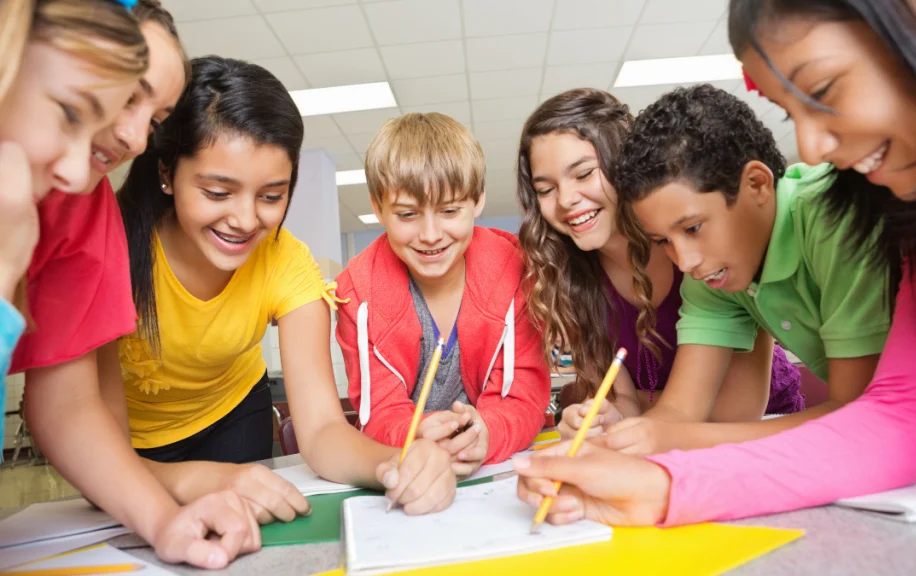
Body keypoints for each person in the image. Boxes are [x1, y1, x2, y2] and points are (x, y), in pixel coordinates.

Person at [514, 0, 916, 527]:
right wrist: (660, 481)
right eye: (790, 112)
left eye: (824, 91)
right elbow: (903, 420)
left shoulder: (839, 218)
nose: (811, 146)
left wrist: (667, 463)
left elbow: (873, 415)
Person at [115, 56, 457, 516]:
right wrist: (193, 477)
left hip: (233, 418)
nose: (244, 219)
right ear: (166, 173)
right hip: (123, 445)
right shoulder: (112, 247)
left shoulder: (286, 260)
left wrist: (395, 464)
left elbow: (319, 430)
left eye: (271, 196)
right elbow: (85, 433)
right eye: (217, 193)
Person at [2, 1, 260, 568]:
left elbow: (68, 403)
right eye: (123, 97)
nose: (138, 140)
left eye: (157, 119)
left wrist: (163, 521)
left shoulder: (82, 203)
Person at [515, 88, 803, 445]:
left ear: (627, 167)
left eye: (584, 174)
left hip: (762, 430)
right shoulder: (569, 278)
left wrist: (643, 412)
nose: (566, 199)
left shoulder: (708, 252)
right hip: (663, 434)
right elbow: (626, 402)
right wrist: (612, 417)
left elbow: (734, 412)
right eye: (545, 189)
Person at [335, 112, 551, 477]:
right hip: (410, 471)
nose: (431, 234)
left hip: (494, 474)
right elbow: (379, 412)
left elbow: (523, 398)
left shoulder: (519, 272)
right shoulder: (357, 293)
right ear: (377, 208)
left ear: (477, 201)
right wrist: (415, 433)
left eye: (450, 210)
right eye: (407, 215)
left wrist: (488, 433)